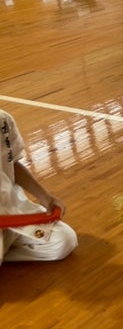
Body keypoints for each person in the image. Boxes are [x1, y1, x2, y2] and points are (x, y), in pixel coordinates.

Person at [1, 110, 78, 265]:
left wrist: (44, 196)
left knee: (64, 241)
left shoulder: (3, 120)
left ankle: (4, 250)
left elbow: (12, 164)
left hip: (12, 209)